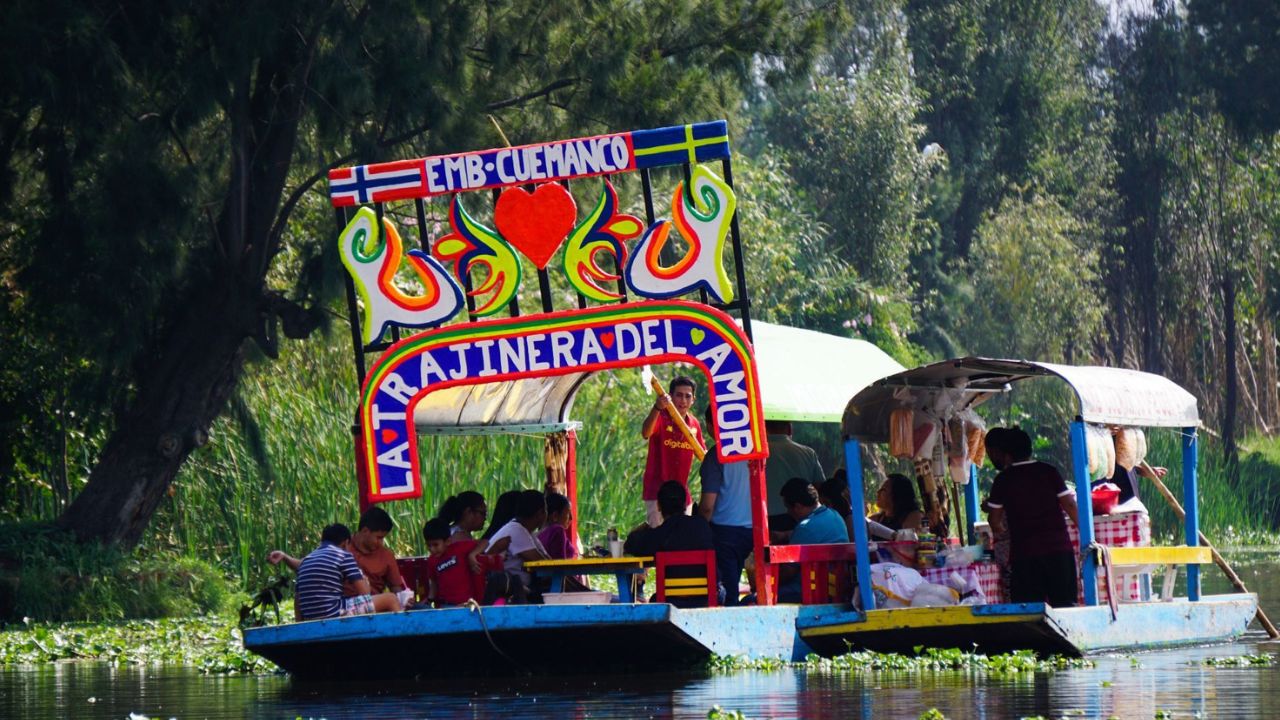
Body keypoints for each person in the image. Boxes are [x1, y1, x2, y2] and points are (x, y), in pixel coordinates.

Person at [984, 427, 1079, 608]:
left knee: (1027, 611)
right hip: (1058, 552)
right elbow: (1070, 505)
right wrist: (1088, 536)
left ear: (1006, 454)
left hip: (1025, 556)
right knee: (1066, 607)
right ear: (1029, 449)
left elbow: (994, 521)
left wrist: (1002, 529)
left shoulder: (1003, 480)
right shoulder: (1049, 471)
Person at [625, 481, 716, 607]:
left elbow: (631, 545)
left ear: (658, 506)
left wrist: (644, 528)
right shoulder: (703, 526)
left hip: (671, 602)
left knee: (653, 599)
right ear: (684, 504)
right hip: (704, 600)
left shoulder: (659, 535)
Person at [699, 407, 754, 606]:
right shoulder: (752, 451)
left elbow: (707, 506)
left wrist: (698, 528)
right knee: (735, 580)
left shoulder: (716, 455)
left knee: (728, 590)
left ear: (710, 425)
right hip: (752, 530)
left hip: (724, 532)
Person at [294, 523, 401, 620]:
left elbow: (298, 597)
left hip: (310, 617)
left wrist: (299, 623)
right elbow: (365, 593)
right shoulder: (343, 555)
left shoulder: (306, 560)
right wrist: (365, 582)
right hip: (335, 613)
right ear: (346, 543)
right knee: (390, 599)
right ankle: (402, 637)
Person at [640, 376, 703, 526]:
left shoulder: (694, 424)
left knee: (682, 538)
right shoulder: (660, 416)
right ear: (670, 396)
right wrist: (656, 408)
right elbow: (645, 433)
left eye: (688, 396)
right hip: (656, 492)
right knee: (658, 537)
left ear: (693, 399)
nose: (683, 400)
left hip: (682, 496)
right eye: (679, 395)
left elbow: (702, 454)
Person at [776, 478, 850, 603]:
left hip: (809, 591)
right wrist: (784, 535)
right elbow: (816, 533)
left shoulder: (805, 528)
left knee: (750, 599)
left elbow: (788, 572)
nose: (788, 512)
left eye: (788, 508)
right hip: (835, 589)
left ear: (798, 507)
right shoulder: (835, 516)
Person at [420, 518, 519, 607]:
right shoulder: (431, 560)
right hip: (446, 605)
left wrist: (472, 555)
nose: (432, 549)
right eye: (429, 545)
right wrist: (429, 600)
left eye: (436, 545)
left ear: (448, 541)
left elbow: (485, 542)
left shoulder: (460, 548)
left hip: (467, 605)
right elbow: (434, 583)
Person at [763, 420, 825, 535]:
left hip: (766, 518)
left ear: (763, 428)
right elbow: (820, 486)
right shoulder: (808, 452)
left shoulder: (759, 454)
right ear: (790, 429)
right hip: (801, 516)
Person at [487, 490, 551, 592]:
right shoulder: (515, 530)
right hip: (510, 591)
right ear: (540, 513)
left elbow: (548, 560)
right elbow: (543, 564)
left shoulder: (526, 531)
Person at [347, 506, 407, 598]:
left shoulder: (386, 556)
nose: (381, 543)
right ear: (365, 531)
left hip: (376, 605)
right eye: (379, 537)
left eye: (383, 538)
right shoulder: (343, 548)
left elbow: (396, 589)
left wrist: (404, 599)